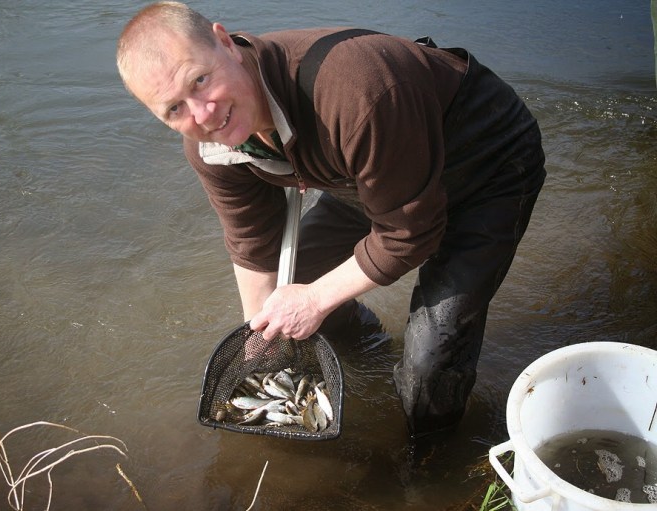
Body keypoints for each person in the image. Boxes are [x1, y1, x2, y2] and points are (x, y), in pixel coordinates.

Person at [116, 1, 546, 438]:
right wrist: (261, 337)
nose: (203, 114)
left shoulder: (354, 90)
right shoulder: (210, 145)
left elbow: (408, 234)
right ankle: (368, 343)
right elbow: (253, 241)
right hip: (372, 178)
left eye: (200, 80)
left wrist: (315, 301)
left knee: (430, 363)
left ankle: (430, 458)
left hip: (486, 164)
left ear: (226, 43)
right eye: (174, 109)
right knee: (290, 290)